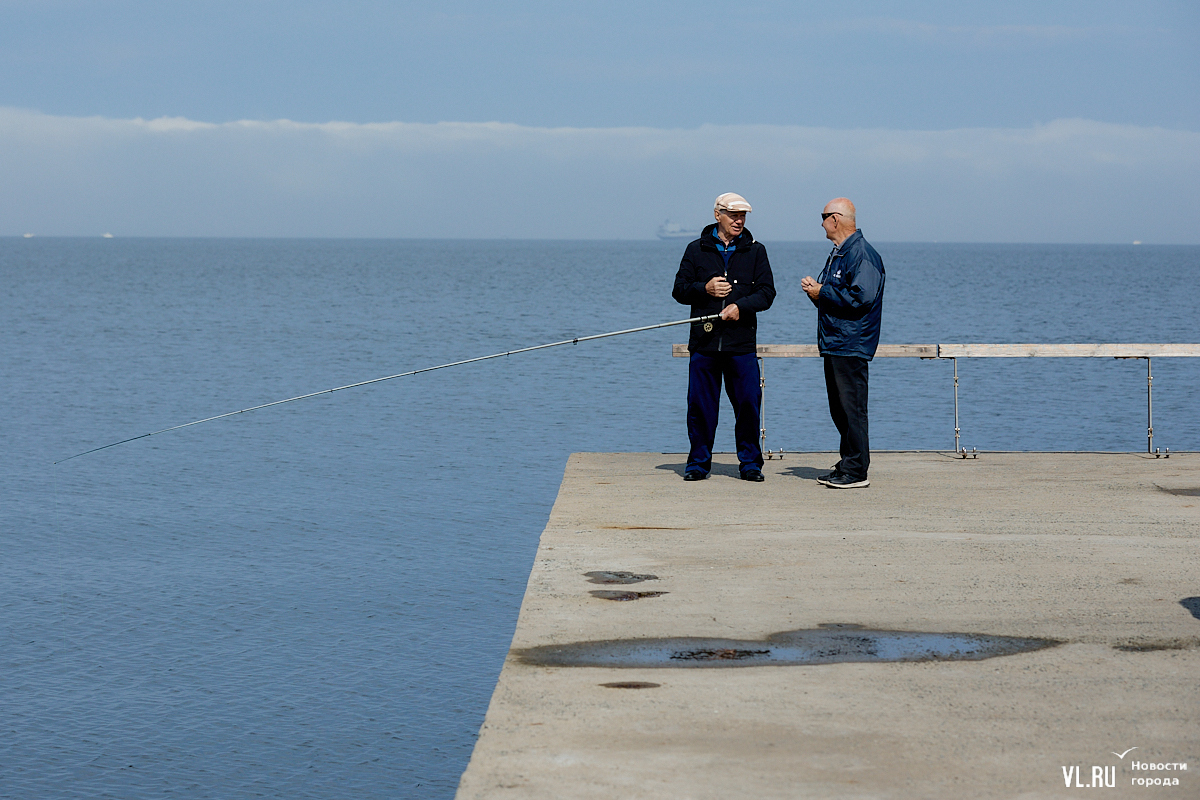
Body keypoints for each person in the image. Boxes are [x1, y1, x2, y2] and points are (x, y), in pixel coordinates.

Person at [672, 193, 776, 482]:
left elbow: (767, 293)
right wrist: (703, 289)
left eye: (743, 215)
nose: (739, 220)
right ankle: (698, 464)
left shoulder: (756, 251)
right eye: (733, 215)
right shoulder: (696, 249)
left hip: (740, 345)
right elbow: (679, 290)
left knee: (747, 404)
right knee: (701, 406)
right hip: (704, 344)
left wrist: (740, 307)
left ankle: (750, 464)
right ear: (718, 214)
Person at [801, 198, 885, 489]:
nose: (821, 222)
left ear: (835, 219)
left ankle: (857, 470)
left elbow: (862, 298)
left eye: (823, 216)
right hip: (836, 341)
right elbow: (838, 298)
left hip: (851, 343)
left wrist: (823, 291)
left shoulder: (861, 254)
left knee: (852, 408)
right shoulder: (839, 254)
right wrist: (818, 295)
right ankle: (848, 462)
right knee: (839, 408)